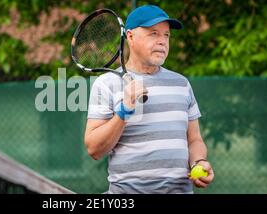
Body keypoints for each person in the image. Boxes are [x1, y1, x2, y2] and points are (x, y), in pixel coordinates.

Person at [84, 5, 214, 193]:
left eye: (166, 35)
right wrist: (124, 110)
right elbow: (94, 149)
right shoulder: (106, 84)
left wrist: (198, 162)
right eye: (153, 34)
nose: (162, 41)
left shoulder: (182, 84)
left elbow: (194, 140)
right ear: (130, 37)